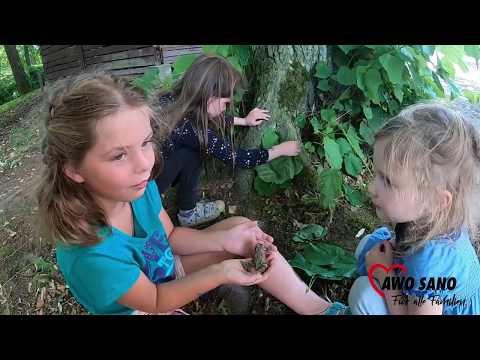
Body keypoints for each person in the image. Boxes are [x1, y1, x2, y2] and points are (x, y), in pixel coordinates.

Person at [36, 71, 348, 315]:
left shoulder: (135, 190)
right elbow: (156, 299)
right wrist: (221, 271)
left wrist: (225, 241)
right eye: (119, 155)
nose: (145, 164)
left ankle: (319, 309)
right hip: (143, 306)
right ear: (73, 169)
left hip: (166, 270)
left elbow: (170, 237)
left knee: (242, 229)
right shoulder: (90, 253)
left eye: (145, 143)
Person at [348, 102, 480, 315]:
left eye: (388, 181)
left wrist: (385, 274)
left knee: (363, 296)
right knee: (367, 247)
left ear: (436, 201)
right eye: (377, 175)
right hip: (418, 286)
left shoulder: (431, 268)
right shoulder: (432, 217)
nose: (372, 188)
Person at [154, 54, 301, 227]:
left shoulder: (172, 101)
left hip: (147, 174)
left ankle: (184, 210)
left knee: (188, 152)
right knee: (194, 152)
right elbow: (238, 158)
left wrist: (244, 121)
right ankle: (188, 213)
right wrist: (280, 150)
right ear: (209, 98)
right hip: (147, 189)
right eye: (225, 103)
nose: (226, 108)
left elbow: (206, 116)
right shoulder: (195, 131)